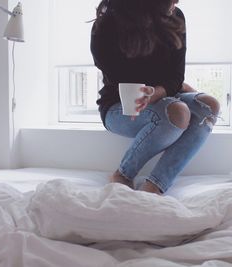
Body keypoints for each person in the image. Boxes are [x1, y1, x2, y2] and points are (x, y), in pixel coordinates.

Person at [91, 0, 220, 195]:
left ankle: (155, 184)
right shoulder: (108, 25)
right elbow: (121, 81)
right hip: (120, 105)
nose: (177, 1)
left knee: (210, 105)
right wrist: (163, 90)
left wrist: (159, 92)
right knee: (178, 111)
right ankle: (123, 174)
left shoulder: (176, 16)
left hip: (162, 96)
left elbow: (176, 76)